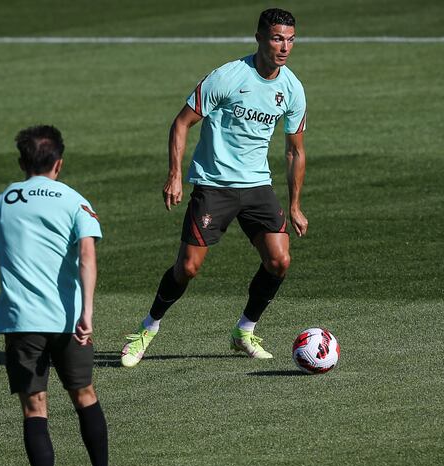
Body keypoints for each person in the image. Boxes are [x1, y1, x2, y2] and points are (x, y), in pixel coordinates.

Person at [121, 8, 307, 367]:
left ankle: (244, 330)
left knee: (279, 261)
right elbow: (181, 123)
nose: (284, 46)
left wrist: (295, 204)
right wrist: (175, 175)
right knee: (188, 268)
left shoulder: (292, 89)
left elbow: (295, 150)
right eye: (277, 38)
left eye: (290, 39)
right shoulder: (228, 76)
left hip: (256, 187)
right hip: (214, 186)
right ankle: (147, 328)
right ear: (259, 38)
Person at [0, 125, 117, 466]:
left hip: (21, 322)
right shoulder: (74, 201)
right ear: (59, 163)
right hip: (69, 321)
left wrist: (13, 265)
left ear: (21, 163)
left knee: (35, 409)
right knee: (84, 395)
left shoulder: (2, 201)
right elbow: (87, 256)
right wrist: (87, 312)